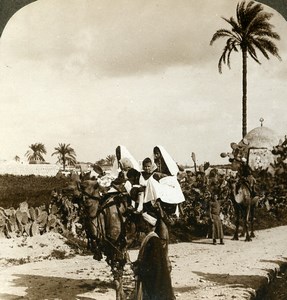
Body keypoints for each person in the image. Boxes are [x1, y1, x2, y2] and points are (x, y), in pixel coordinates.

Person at [133, 211, 175, 300]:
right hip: (154, 281)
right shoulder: (150, 238)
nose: (141, 224)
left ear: (147, 224)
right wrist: (136, 264)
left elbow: (152, 265)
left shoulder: (153, 240)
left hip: (154, 283)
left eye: (143, 222)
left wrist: (138, 269)